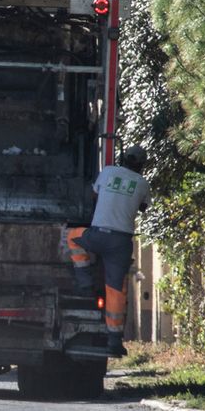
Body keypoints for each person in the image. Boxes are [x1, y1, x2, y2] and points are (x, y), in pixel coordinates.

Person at [64, 145, 151, 356]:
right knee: (115, 289)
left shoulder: (108, 172)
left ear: (123, 158)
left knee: (72, 236)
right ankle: (114, 340)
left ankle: (84, 280)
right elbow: (143, 208)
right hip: (120, 243)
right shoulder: (142, 183)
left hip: (97, 236)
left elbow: (94, 195)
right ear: (141, 165)